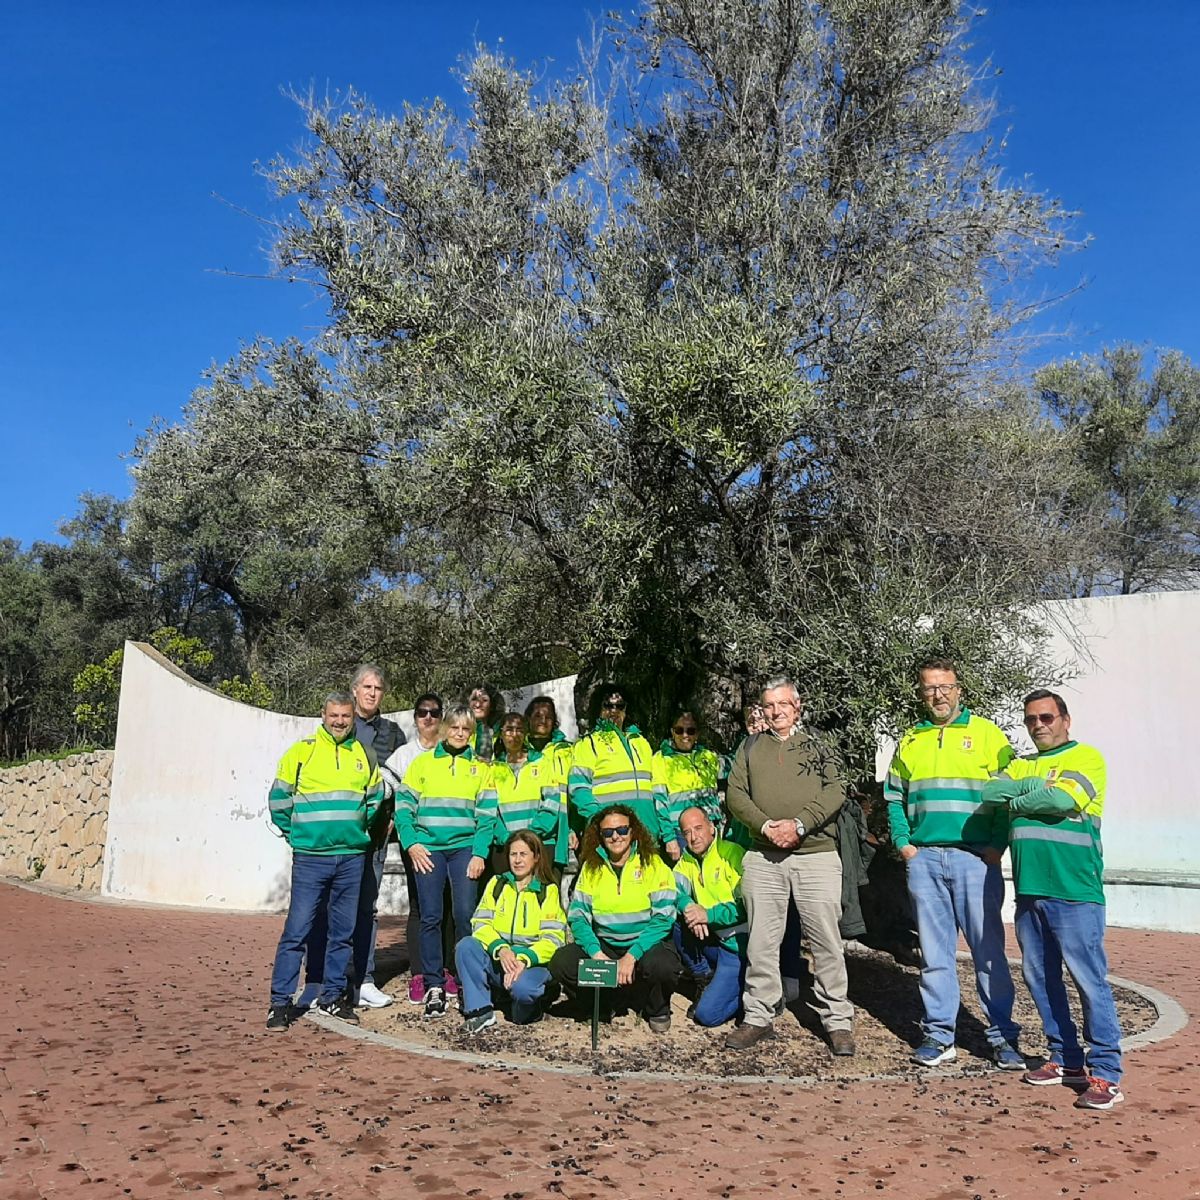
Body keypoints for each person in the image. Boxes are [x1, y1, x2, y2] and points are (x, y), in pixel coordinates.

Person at [982, 690, 1124, 1111]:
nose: (1038, 725)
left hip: (1075, 890)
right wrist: (1034, 786)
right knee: (1040, 978)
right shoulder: (1022, 764)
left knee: (1088, 980)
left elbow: (1063, 799)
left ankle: (1106, 1073)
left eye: (1046, 717)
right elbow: (990, 794)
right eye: (1031, 719)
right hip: (1030, 890)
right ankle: (1065, 1059)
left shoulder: (1088, 758)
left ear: (1065, 719)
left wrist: (1021, 798)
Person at [885, 657, 1023, 1069]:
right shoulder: (910, 739)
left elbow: (1009, 794)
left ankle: (1002, 1038)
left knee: (988, 953)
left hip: (975, 860)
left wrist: (997, 846)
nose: (938, 695)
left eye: (945, 687)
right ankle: (939, 1035)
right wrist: (905, 845)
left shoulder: (986, 734)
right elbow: (894, 797)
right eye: (929, 688)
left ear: (959, 689)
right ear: (921, 692)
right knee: (934, 955)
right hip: (926, 860)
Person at [724, 677, 854, 1056]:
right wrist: (766, 826)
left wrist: (799, 824)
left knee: (827, 941)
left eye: (783, 704)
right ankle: (758, 1016)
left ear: (797, 706)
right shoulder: (749, 747)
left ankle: (838, 1021)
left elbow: (837, 789)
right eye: (769, 705)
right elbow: (735, 794)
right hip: (764, 856)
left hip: (816, 854)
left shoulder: (821, 745)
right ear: (761, 710)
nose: (776, 711)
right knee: (762, 942)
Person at [266, 692, 382, 1030]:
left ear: (353, 718)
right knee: (297, 931)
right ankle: (279, 1003)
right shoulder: (301, 752)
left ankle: (332, 997)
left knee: (342, 933)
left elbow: (374, 800)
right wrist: (298, 835)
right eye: (334, 716)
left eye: (346, 716)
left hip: (350, 858)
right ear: (323, 715)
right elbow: (278, 800)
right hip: (311, 859)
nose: (340, 721)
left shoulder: (364, 754)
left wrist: (356, 829)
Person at [300, 664, 407, 1011]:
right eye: (367, 687)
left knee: (365, 910)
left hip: (371, 839)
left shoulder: (393, 733)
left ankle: (363, 980)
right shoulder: (339, 727)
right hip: (331, 840)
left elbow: (401, 784)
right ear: (355, 690)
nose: (372, 693)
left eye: (378, 688)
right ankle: (318, 980)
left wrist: (392, 818)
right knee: (325, 910)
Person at [394, 703, 496, 1018]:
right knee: (431, 916)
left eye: (466, 729)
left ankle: (466, 980)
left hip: (465, 848)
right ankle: (435, 984)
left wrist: (479, 853)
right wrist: (411, 844)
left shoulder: (482, 768)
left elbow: (487, 817)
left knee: (465, 915)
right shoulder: (422, 765)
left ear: (472, 733)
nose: (460, 734)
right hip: (428, 850)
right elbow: (403, 806)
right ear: (443, 730)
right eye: (454, 727)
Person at [549, 805, 682, 1033]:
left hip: (645, 945)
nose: (615, 836)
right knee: (562, 962)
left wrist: (632, 955)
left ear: (633, 832)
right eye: (608, 832)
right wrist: (596, 954)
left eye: (622, 829)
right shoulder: (591, 868)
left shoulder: (653, 864)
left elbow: (663, 918)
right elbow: (578, 917)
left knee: (663, 965)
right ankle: (604, 1002)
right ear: (599, 837)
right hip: (606, 946)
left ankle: (656, 1006)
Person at [454, 830, 567, 1032]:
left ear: (536, 857)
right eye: (513, 854)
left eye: (523, 854)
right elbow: (480, 923)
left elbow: (554, 938)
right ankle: (480, 1011)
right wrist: (502, 950)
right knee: (466, 946)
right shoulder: (497, 884)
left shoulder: (547, 891)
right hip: (501, 959)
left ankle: (535, 1001)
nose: (517, 860)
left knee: (522, 1003)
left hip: (531, 963)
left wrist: (523, 959)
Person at [383, 692, 453, 1005]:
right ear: (415, 718)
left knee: (449, 908)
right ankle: (420, 973)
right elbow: (388, 794)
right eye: (423, 713)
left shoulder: (451, 751)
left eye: (434, 713)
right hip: (418, 846)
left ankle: (446, 969)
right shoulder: (403, 756)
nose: (428, 718)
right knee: (421, 908)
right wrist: (405, 838)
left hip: (450, 845)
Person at [672, 806, 748, 1027]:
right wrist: (689, 907)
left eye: (698, 828)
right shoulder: (688, 860)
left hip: (739, 946)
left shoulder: (732, 854)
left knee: (707, 1015)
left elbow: (746, 907)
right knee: (677, 922)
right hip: (716, 940)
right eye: (687, 832)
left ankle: (752, 993)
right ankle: (704, 977)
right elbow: (673, 889)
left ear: (712, 827)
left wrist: (708, 915)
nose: (694, 837)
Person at [568, 683, 661, 847]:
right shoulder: (588, 744)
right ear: (598, 708)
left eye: (620, 706)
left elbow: (657, 789)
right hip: (612, 837)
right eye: (608, 705)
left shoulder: (641, 743)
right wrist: (601, 819)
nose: (614, 711)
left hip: (648, 833)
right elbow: (578, 789)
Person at [482, 713, 564, 877]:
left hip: (540, 844)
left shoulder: (543, 763)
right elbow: (489, 811)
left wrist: (530, 836)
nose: (514, 735)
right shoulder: (492, 768)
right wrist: (505, 837)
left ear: (526, 733)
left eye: (519, 730)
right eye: (509, 730)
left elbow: (552, 803)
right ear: (501, 734)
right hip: (505, 846)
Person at [651, 709, 725, 862]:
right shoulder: (661, 759)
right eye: (679, 730)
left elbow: (736, 771)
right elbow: (660, 802)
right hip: (682, 834)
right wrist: (669, 839)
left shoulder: (708, 756)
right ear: (672, 732)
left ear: (697, 734)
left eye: (690, 731)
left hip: (713, 830)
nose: (685, 735)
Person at [524, 695, 574, 871]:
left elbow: (574, 793)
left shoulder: (568, 750)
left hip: (561, 832)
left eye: (548, 717)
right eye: (537, 715)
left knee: (552, 888)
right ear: (528, 719)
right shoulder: (517, 751)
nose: (543, 720)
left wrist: (572, 830)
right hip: (524, 831)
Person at [466, 683, 503, 762]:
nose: (478, 704)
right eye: (474, 699)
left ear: (492, 705)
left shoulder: (501, 731)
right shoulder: (457, 731)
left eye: (484, 700)